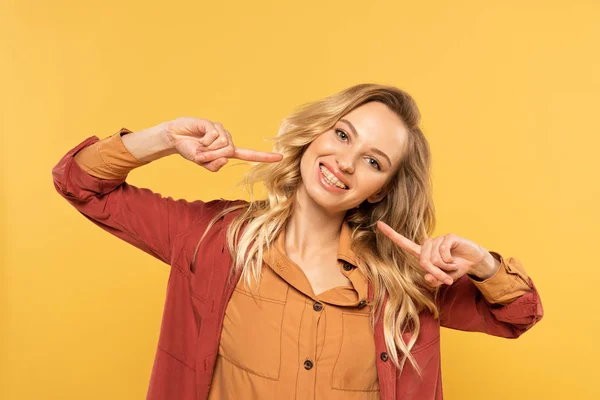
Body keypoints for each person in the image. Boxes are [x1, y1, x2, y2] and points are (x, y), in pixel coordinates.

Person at [52, 83, 544, 400]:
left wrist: (481, 264)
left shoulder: (408, 283)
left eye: (374, 162)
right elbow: (78, 182)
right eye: (343, 134)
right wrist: (164, 137)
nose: (347, 162)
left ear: (384, 189)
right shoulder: (211, 239)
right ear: (314, 135)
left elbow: (519, 313)